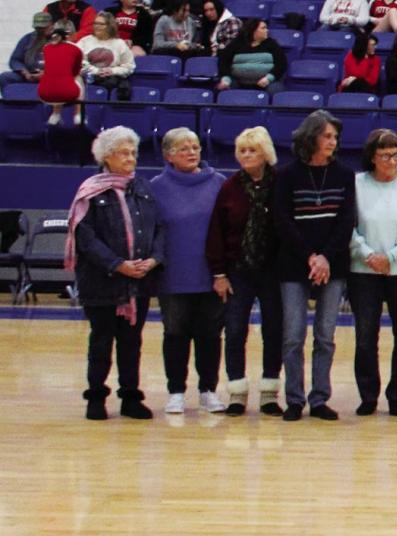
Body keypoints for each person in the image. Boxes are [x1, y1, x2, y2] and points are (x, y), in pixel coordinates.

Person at [69, 126, 162, 420]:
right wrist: (117, 264)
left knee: (132, 342)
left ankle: (130, 398)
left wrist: (154, 259)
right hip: (102, 281)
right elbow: (85, 237)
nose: (131, 158)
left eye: (134, 152)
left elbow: (158, 227)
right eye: (124, 153)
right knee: (101, 340)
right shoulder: (90, 190)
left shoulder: (143, 188)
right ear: (107, 156)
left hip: (139, 281)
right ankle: (96, 398)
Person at [272, 110, 356, 422]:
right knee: (293, 335)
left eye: (335, 137)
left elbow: (346, 221)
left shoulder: (345, 174)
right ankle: (294, 398)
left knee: (325, 335)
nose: (333, 142)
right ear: (311, 138)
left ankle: (320, 398)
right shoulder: (286, 174)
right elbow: (282, 221)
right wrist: (309, 256)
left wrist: (325, 258)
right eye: (327, 136)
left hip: (332, 265)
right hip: (294, 263)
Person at [207, 126, 284, 416]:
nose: (247, 155)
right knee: (236, 330)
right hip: (237, 270)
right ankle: (237, 393)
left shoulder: (280, 183)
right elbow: (216, 232)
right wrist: (219, 273)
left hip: (273, 271)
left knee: (274, 330)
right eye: (242, 150)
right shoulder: (229, 187)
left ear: (265, 153)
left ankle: (269, 393)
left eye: (252, 150)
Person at [345, 129, 397, 417]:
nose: (392, 160)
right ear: (372, 158)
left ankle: (396, 395)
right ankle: (368, 395)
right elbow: (347, 226)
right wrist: (367, 254)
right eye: (385, 155)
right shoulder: (356, 185)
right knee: (366, 336)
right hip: (363, 270)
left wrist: (391, 256)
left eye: (396, 155)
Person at [148, 128, 225, 415]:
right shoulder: (156, 186)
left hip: (211, 275)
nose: (192, 152)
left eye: (195, 147)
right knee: (176, 332)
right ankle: (176, 391)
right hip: (174, 275)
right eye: (184, 149)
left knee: (210, 334)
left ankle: (208, 390)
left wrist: (223, 272)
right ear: (169, 155)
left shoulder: (218, 183)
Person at [215, 18, 286, 93]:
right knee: (223, 89)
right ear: (253, 30)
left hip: (267, 83)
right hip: (239, 82)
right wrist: (226, 79)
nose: (267, 30)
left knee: (274, 89)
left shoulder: (272, 44)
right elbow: (223, 62)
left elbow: (281, 64)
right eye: (263, 28)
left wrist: (269, 78)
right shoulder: (236, 44)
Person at [78, 12, 136, 100]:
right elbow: (76, 60)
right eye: (95, 23)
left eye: (101, 24)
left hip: (110, 80)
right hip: (86, 78)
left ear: (110, 26)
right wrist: (96, 71)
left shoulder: (119, 44)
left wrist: (112, 71)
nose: (96, 26)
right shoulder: (85, 41)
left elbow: (129, 66)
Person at [37, 21, 83, 126]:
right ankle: (77, 115)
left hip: (43, 93)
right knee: (77, 78)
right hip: (68, 93)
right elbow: (76, 71)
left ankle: (55, 114)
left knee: (57, 77)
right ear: (71, 34)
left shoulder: (46, 47)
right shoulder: (76, 49)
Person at [5, 13, 63, 89]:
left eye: (44, 28)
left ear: (51, 25)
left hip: (52, 76)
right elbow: (15, 60)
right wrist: (24, 72)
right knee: (5, 77)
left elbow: (65, 63)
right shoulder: (27, 38)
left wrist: (47, 73)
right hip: (29, 74)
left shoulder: (60, 40)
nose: (40, 30)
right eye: (38, 28)